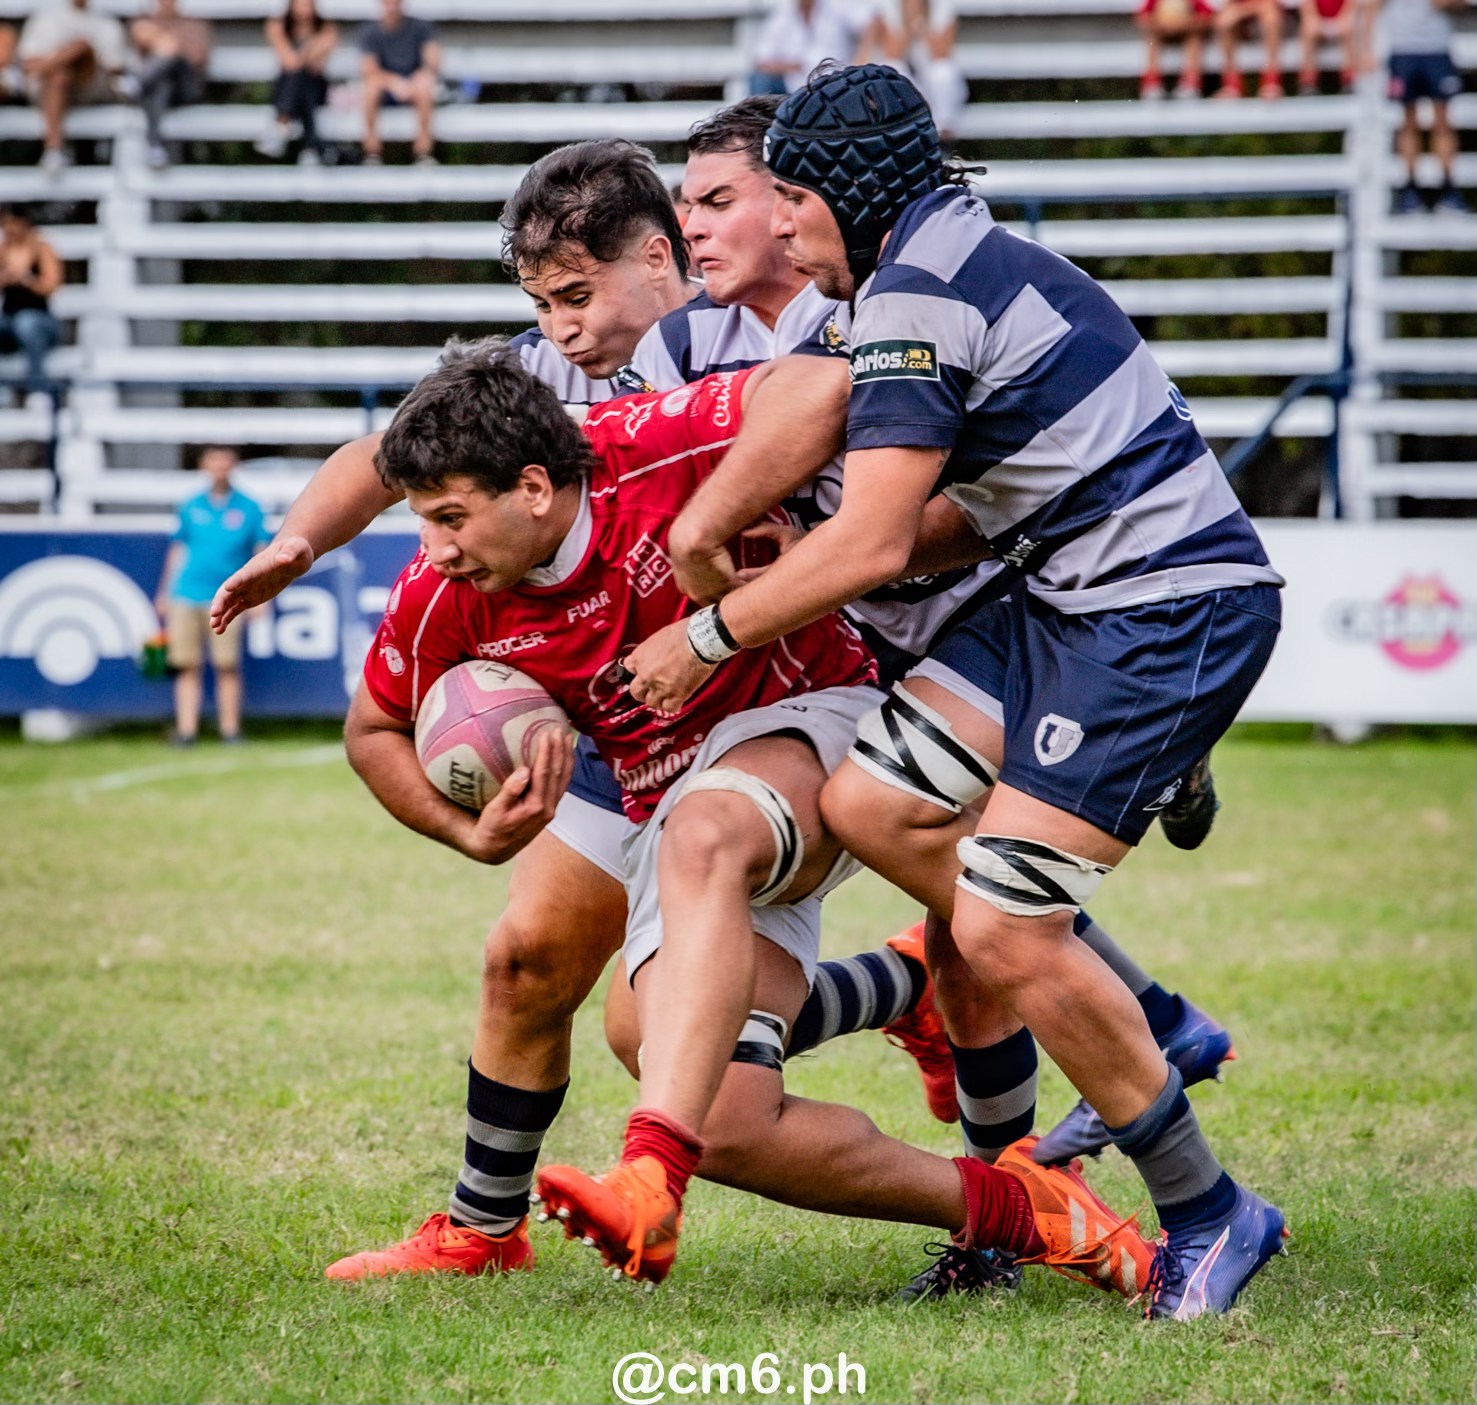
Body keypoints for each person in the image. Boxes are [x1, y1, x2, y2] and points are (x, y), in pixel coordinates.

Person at [212, 138, 963, 1284]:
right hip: (622, 721)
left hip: (782, 685)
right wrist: (296, 543)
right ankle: (481, 1228)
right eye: (540, 303)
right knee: (529, 962)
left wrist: (714, 536)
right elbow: (381, 454)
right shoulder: (536, 387)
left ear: (660, 258)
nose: (558, 326)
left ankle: (1016, 1050)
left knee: (994, 918)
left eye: (575, 296)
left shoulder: (762, 329)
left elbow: (860, 437)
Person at [624, 64, 1290, 1320]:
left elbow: (874, 543)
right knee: (871, 803)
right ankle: (1152, 1014)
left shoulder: (913, 300)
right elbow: (949, 526)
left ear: (849, 196)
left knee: (997, 931)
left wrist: (707, 631)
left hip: (1157, 613)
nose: (784, 223)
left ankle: (1210, 1210)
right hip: (1061, 595)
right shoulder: (930, 263)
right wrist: (785, 561)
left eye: (796, 199)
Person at [346, 336, 1156, 1299]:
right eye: (421, 522)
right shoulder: (441, 593)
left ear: (531, 487)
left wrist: (704, 538)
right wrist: (468, 832)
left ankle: (648, 1172)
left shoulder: (645, 445)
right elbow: (372, 728)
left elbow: (818, 381)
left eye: (449, 518)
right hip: (656, 787)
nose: (433, 548)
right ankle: (1023, 1207)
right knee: (715, 1109)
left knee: (706, 833)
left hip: (816, 717)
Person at [154, 448, 266, 745]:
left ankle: (230, 730)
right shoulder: (191, 506)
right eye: (213, 462)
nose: (219, 468)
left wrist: (262, 597)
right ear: (204, 466)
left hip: (227, 596)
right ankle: (186, 730)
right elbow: (178, 549)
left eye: (225, 462)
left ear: (234, 466)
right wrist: (165, 591)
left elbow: (259, 552)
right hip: (187, 593)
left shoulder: (249, 507)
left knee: (227, 665)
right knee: (186, 665)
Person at [17, 0, 128, 173]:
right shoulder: (45, 19)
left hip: (90, 91)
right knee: (61, 75)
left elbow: (114, 69)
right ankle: (55, 150)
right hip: (48, 88)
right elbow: (28, 64)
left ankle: (54, 150)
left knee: (79, 51)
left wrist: (74, 55)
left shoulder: (106, 23)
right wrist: (68, 57)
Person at [1382, 0, 1468, 214]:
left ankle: (1448, 189)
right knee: (1408, 122)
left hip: (1436, 47)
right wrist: (1365, 47)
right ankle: (1410, 190)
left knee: (1443, 122)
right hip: (1402, 47)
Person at [859, 0, 968, 141]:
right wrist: (908, 23)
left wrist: (923, 24)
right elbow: (893, 52)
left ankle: (943, 134)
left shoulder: (943, 6)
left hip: (930, 77)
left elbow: (941, 52)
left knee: (942, 71)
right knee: (894, 67)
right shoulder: (886, 6)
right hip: (906, 71)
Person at [129, 0, 211, 170]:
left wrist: (173, 44)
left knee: (171, 50)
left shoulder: (192, 23)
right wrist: (163, 41)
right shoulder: (145, 21)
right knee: (162, 84)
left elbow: (199, 58)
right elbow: (136, 42)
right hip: (159, 86)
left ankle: (139, 83)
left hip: (186, 85)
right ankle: (155, 147)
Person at [357, 0, 438, 166]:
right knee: (370, 88)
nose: (392, 7)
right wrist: (393, 82)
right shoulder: (370, 31)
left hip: (414, 86)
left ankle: (423, 152)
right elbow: (368, 69)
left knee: (424, 86)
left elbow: (433, 61)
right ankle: (372, 152)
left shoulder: (421, 27)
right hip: (385, 87)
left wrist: (418, 78)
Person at [257, 0, 337, 164]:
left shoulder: (327, 28)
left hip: (314, 89)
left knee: (302, 78)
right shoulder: (278, 26)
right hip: (293, 89)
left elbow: (298, 62)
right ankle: (311, 146)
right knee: (299, 77)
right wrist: (310, 53)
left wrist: (304, 58)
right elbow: (290, 62)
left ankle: (282, 122)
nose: (305, 8)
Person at [0, 204, 63, 393]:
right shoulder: (3, 250)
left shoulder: (41, 248)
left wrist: (26, 279)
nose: (10, 229)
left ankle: (38, 387)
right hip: (9, 321)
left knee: (26, 322)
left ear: (24, 224)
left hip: (40, 321)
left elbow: (51, 286)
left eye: (13, 224)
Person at [750, 0, 866, 95]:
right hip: (795, 85)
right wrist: (791, 66)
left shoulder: (838, 6)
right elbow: (761, 59)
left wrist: (860, 63)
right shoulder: (783, 12)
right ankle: (762, 122)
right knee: (759, 79)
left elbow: (874, 23)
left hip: (835, 81)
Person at [1136, 0, 1215, 99]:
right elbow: (1142, 18)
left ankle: (1190, 83)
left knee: (1194, 40)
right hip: (1163, 33)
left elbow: (1207, 17)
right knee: (1152, 39)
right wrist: (1161, 25)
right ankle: (1152, 83)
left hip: (1188, 31)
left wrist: (1187, 24)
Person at [1213, 0, 1286, 98]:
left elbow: (1271, 4)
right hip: (1241, 8)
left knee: (1272, 19)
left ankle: (1271, 82)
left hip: (1266, 7)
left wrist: (1246, 10)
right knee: (1224, 22)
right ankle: (1232, 85)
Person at [1295, 0, 1368, 93]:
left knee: (1348, 28)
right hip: (1318, 19)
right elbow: (1307, 5)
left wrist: (1344, 17)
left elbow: (1350, 4)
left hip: (1340, 18)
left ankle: (1348, 78)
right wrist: (1313, 17)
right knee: (1308, 28)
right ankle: (1308, 78)